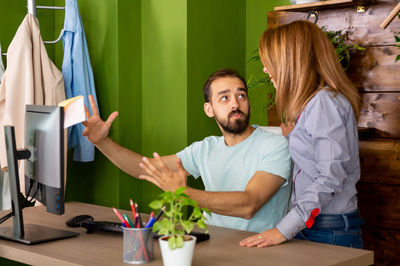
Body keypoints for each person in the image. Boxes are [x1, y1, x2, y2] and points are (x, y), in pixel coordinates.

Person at [82, 68, 292, 233]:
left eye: (241, 96)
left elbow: (249, 204)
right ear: (209, 109)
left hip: (261, 250)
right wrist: (102, 141)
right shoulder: (205, 149)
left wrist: (185, 194)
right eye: (224, 98)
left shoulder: (276, 145)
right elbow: (144, 168)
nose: (236, 104)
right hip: (215, 244)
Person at [240, 20, 364, 248]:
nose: (266, 69)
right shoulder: (313, 106)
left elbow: (330, 176)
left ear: (291, 62)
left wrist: (283, 230)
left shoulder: (324, 103)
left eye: (270, 63)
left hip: (328, 230)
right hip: (315, 227)